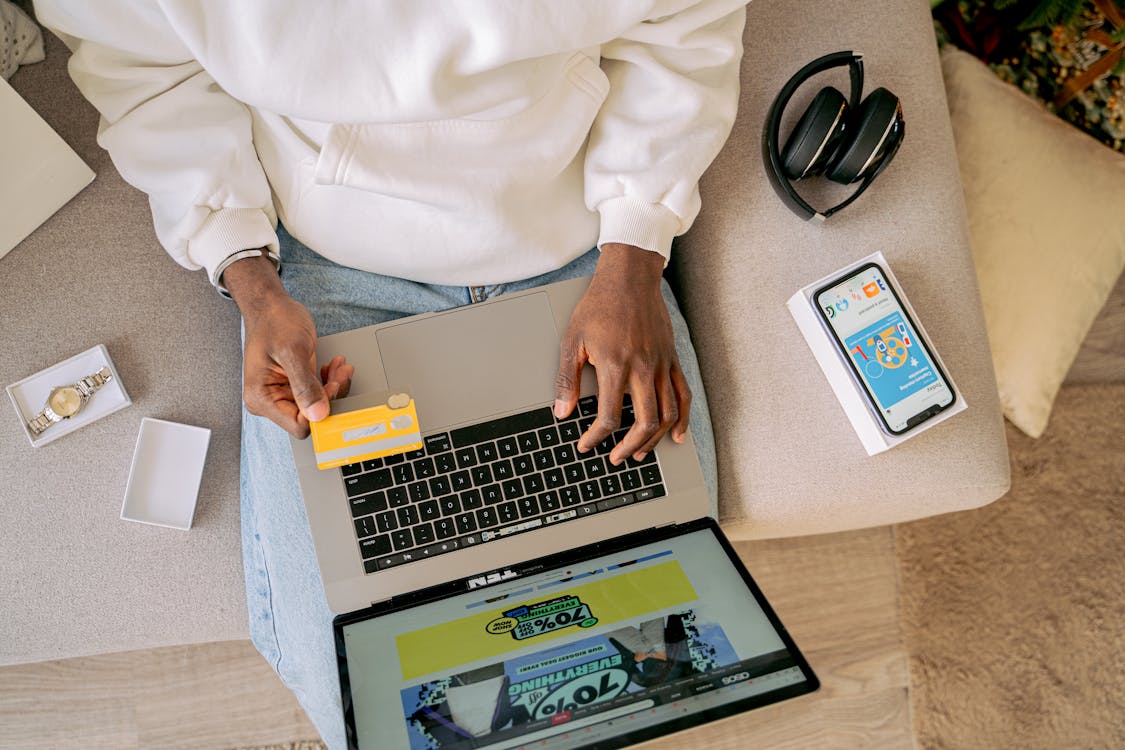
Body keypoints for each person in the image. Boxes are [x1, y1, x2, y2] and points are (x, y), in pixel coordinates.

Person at [35, 2, 747, 746]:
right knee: (378, 709)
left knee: (664, 652)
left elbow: (686, 27)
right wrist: (249, 278)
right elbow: (148, 77)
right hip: (334, 264)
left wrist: (634, 254)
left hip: (582, 246)